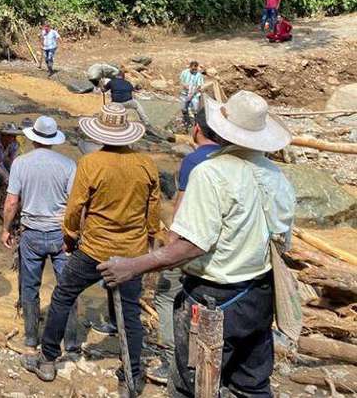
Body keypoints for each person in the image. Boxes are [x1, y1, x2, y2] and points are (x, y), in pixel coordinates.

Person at [99, 90, 295, 397]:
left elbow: (192, 246)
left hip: (215, 298)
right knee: (252, 385)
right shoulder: (276, 175)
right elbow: (283, 240)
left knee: (193, 384)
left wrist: (133, 266)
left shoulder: (211, 173)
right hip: (259, 294)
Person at [22, 103, 160, 397]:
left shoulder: (91, 163)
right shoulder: (146, 163)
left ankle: (47, 359)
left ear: (101, 134)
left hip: (94, 247)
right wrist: (149, 242)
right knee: (131, 313)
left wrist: (70, 237)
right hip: (131, 252)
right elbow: (154, 210)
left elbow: (74, 209)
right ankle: (131, 377)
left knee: (63, 296)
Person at [145, 110, 220, 385]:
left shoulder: (194, 160)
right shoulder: (231, 158)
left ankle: (171, 359)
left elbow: (182, 206)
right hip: (220, 250)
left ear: (197, 129)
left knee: (166, 294)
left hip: (190, 243)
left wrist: (170, 246)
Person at [1, 116, 79, 353]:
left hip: (31, 232)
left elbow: (12, 201)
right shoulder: (68, 165)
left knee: (30, 287)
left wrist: (5, 228)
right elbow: (75, 205)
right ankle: (72, 341)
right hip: (60, 233)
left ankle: (31, 338)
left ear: (33, 139)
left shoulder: (20, 163)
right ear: (54, 140)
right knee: (68, 288)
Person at [178, 61, 205, 126]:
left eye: (196, 70)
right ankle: (187, 122)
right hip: (184, 93)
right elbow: (181, 81)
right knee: (184, 108)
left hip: (194, 95)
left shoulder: (199, 75)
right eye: (193, 69)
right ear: (190, 67)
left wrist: (192, 94)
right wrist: (185, 86)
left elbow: (198, 86)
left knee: (195, 109)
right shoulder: (184, 72)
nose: (194, 71)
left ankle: (196, 124)